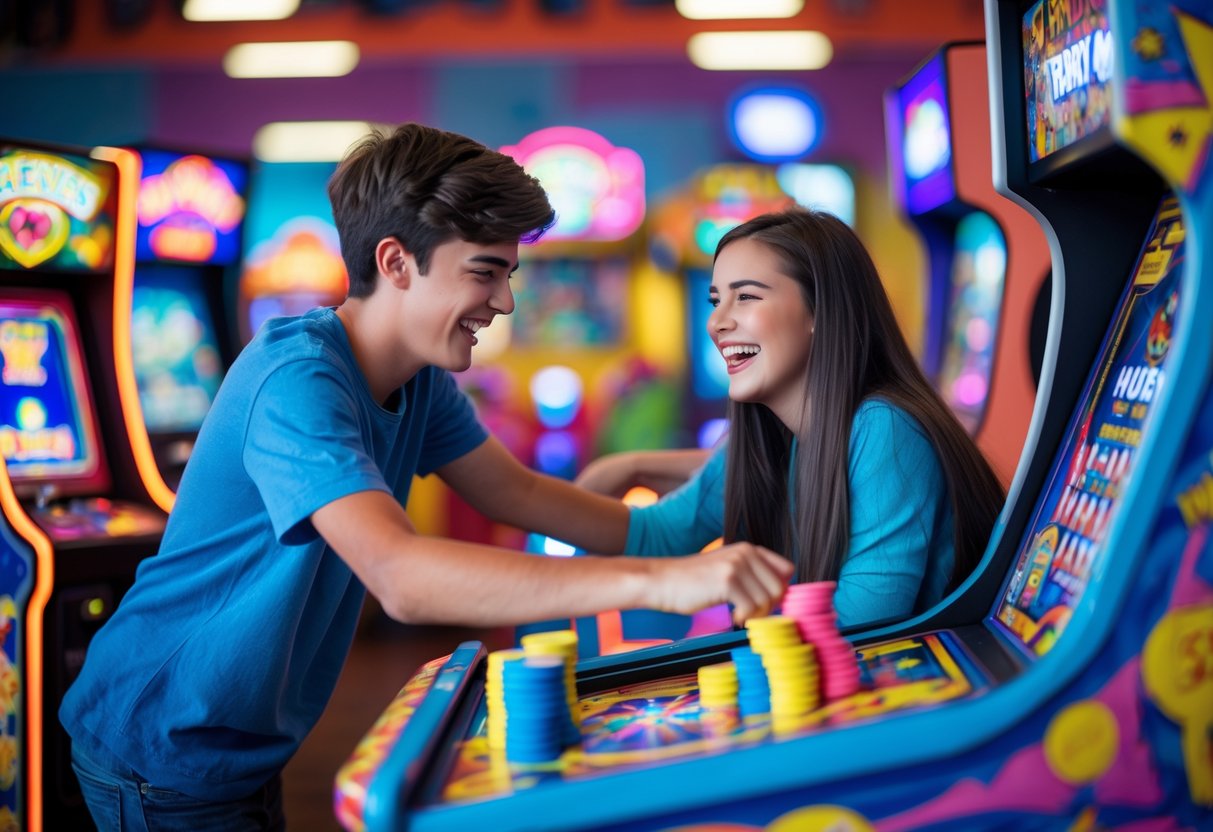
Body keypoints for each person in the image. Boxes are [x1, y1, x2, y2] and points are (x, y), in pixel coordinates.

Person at [59, 123, 793, 830]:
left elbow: (525, 496)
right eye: (484, 272)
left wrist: (766, 465)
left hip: (237, 741)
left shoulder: (419, 381)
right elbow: (401, 578)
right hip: (160, 741)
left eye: (506, 274)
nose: (503, 302)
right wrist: (659, 583)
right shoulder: (297, 378)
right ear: (395, 262)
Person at [579, 207, 1005, 629]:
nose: (716, 322)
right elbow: (658, 533)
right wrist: (520, 494)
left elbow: (861, 627)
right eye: (715, 300)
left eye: (745, 296)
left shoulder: (885, 427)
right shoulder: (776, 434)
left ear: (820, 310)